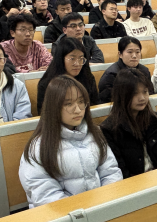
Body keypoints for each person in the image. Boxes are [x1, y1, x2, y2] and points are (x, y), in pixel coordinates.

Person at [19, 74, 122, 208]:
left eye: (81, 102)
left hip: (100, 209)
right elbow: (45, 194)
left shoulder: (95, 134)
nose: (78, 110)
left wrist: (105, 204)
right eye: (68, 104)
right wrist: (83, 212)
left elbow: (110, 172)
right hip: (63, 215)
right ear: (54, 107)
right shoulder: (38, 147)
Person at [100, 68, 157, 178]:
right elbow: (119, 170)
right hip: (134, 184)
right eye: (135, 93)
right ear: (122, 95)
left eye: (145, 92)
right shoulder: (110, 129)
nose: (142, 98)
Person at [37, 38, 100, 113]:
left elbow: (94, 106)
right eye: (72, 59)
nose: (77, 64)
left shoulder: (88, 78)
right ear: (61, 59)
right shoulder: (47, 83)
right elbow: (45, 114)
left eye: (81, 59)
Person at [98, 36, 152, 103]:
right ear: (120, 54)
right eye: (130, 52)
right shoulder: (111, 75)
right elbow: (108, 101)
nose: (134, 56)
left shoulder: (144, 71)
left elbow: (151, 93)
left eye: (137, 52)